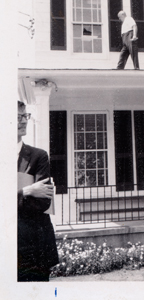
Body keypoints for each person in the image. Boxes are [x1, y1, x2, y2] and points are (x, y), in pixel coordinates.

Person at [17, 101, 59, 281]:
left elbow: (43, 201)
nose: (24, 121)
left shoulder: (38, 156)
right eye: (17, 117)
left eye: (25, 116)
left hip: (34, 247)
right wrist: (26, 190)